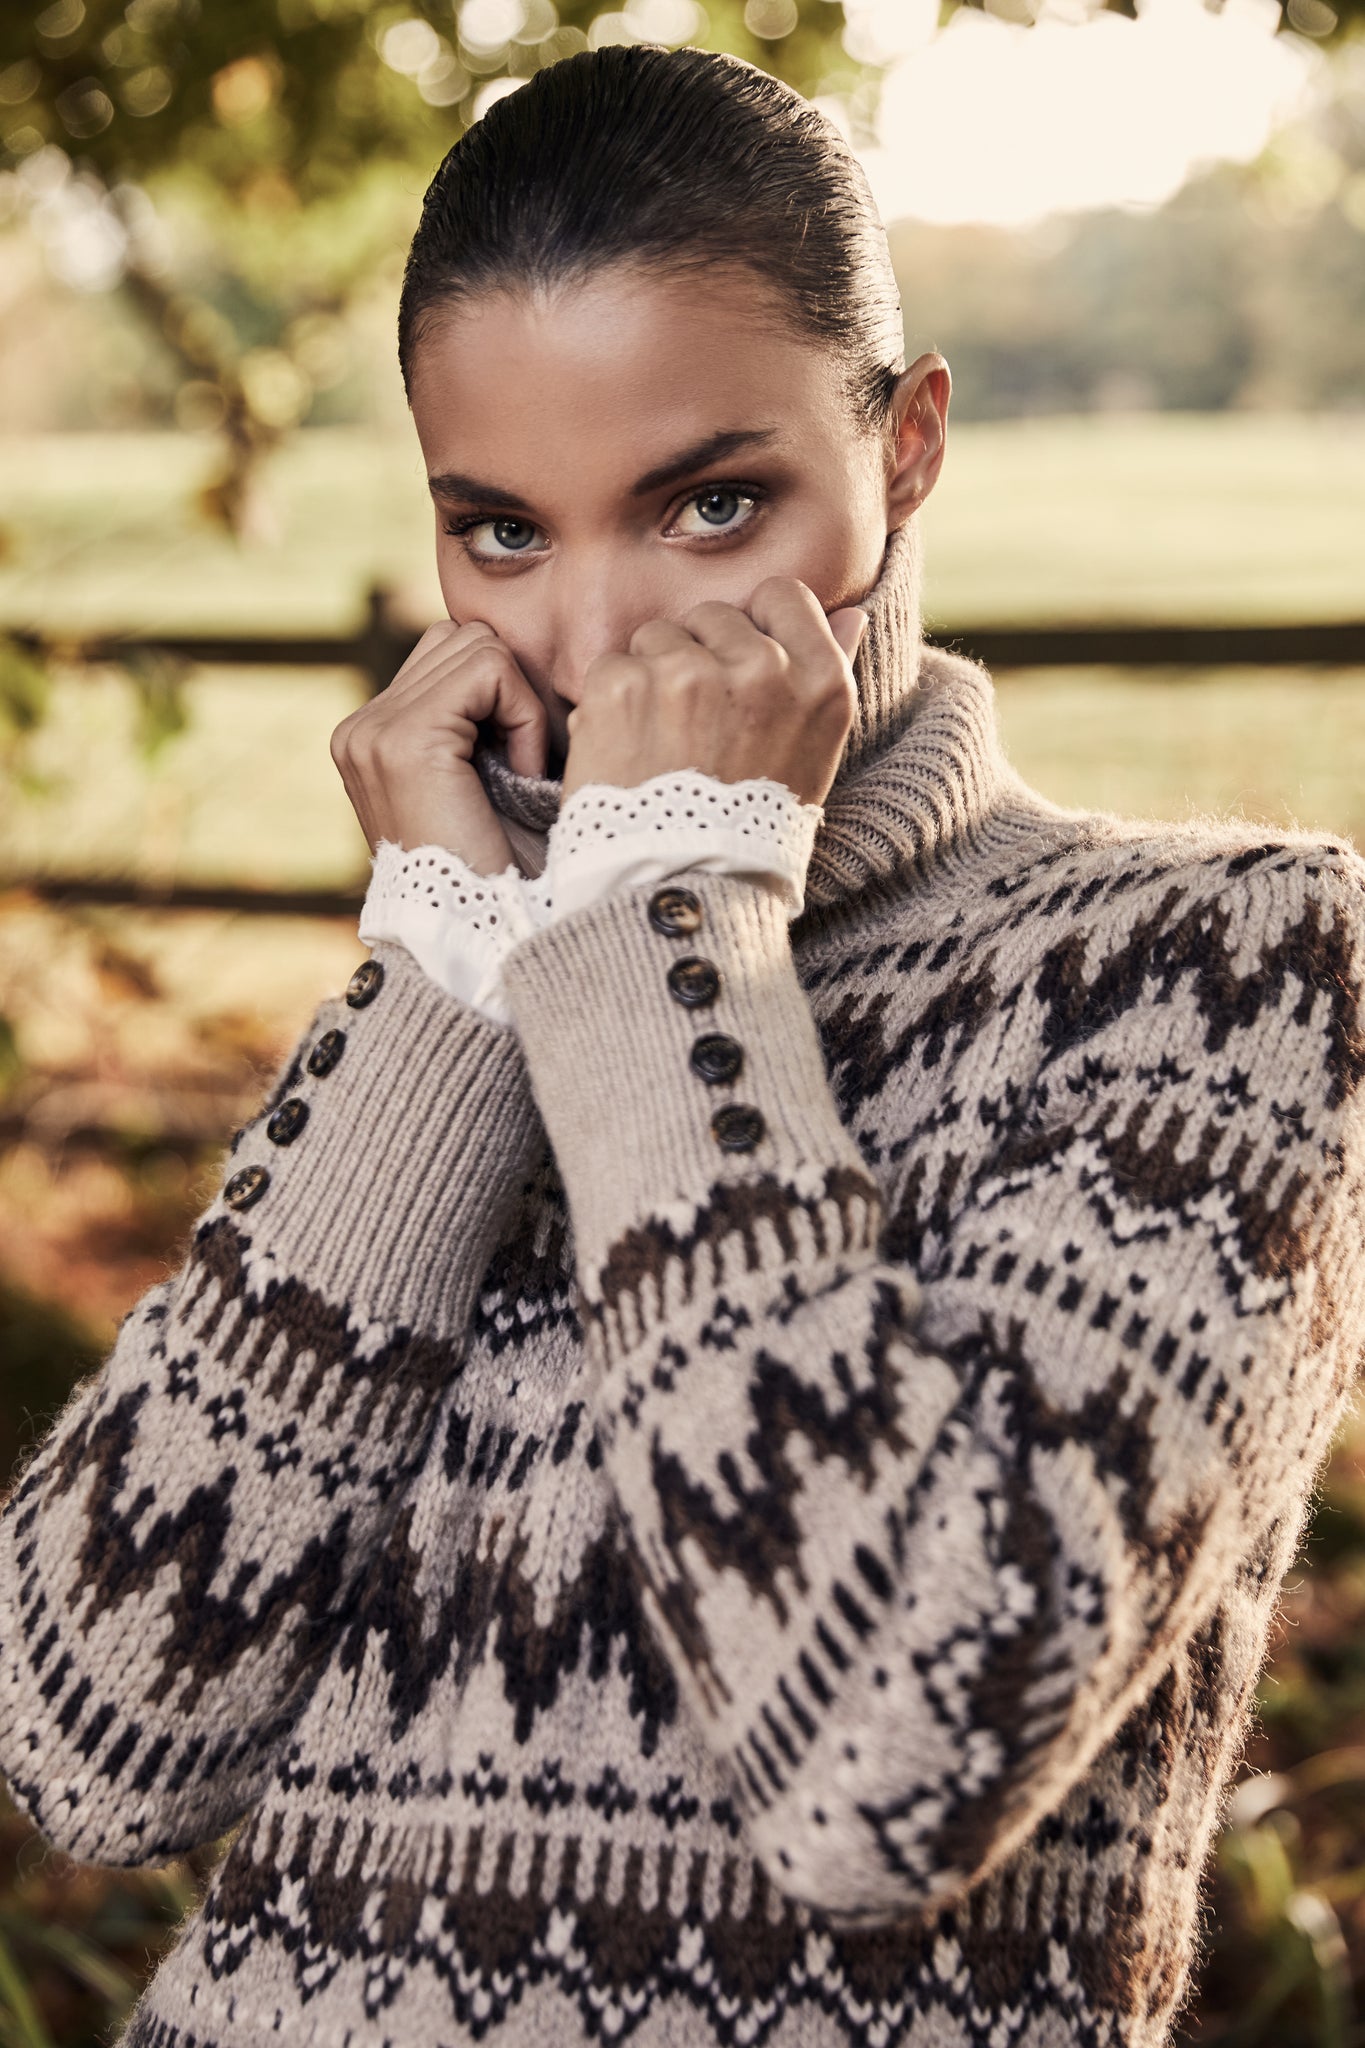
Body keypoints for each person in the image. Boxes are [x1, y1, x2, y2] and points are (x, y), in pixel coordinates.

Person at [2, 40, 1363, 2048]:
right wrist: (454, 975)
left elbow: (883, 1761)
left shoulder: (1225, 958)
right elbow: (94, 1738)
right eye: (504, 534)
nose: (599, 645)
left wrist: (662, 908)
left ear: (901, 451)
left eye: (709, 505)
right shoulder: (461, 975)